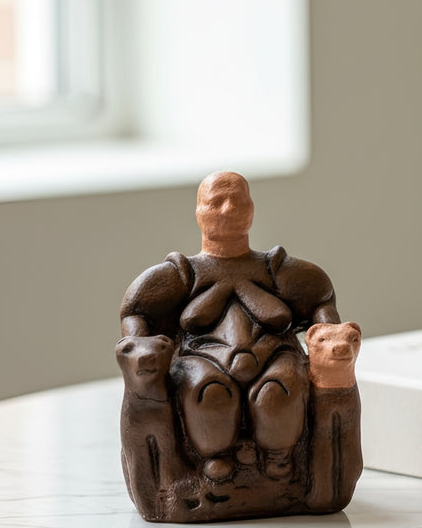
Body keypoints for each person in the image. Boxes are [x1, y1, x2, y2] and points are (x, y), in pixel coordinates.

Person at [119, 172, 342, 486]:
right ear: (199, 212)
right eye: (217, 202)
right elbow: (136, 309)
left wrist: (328, 329)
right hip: (205, 356)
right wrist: (137, 343)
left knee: (277, 393)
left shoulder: (274, 268)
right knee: (209, 394)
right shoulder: (184, 273)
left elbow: (320, 295)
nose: (229, 209)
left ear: (252, 208)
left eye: (238, 201)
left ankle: (279, 456)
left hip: (272, 353)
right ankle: (215, 456)